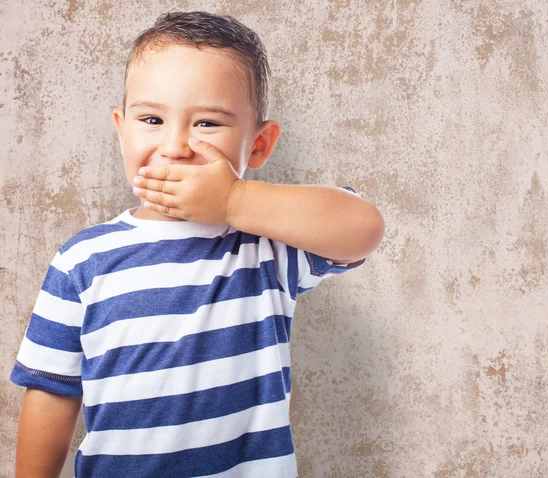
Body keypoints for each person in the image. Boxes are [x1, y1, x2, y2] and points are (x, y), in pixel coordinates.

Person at [9, 10, 385, 478]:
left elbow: (364, 227)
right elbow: (51, 390)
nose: (176, 145)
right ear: (121, 128)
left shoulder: (266, 247)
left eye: (207, 123)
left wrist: (234, 199)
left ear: (260, 145)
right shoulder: (82, 260)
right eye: (151, 118)